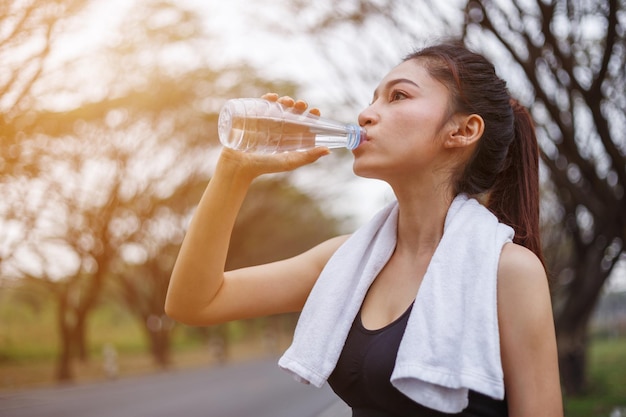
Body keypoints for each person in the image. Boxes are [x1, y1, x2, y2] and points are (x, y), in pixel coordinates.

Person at [165, 42, 563, 417]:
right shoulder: (346, 261)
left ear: (462, 131)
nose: (366, 114)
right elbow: (195, 303)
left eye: (398, 96)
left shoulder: (507, 272)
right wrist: (233, 171)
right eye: (373, 98)